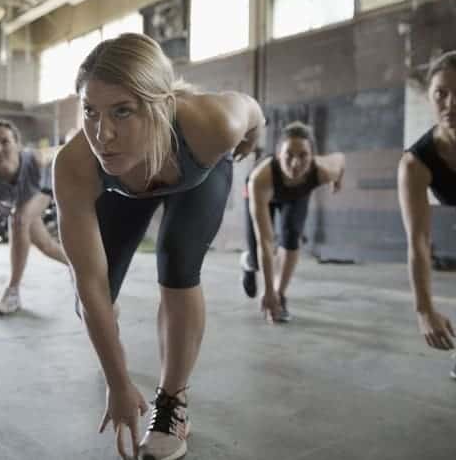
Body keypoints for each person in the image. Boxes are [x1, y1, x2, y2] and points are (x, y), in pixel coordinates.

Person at [53, 32, 265, 460]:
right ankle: (116, 359)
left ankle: (172, 404)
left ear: (162, 104)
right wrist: (117, 381)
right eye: (89, 111)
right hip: (123, 191)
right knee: (94, 294)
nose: (102, 134)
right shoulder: (75, 164)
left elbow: (253, 111)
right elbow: (89, 286)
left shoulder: (212, 123)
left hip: (195, 175)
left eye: (122, 111)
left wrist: (248, 139)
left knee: (178, 263)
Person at [398, 50, 456, 382]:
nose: (451, 102)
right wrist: (424, 309)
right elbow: (419, 242)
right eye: (441, 93)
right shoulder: (416, 163)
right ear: (430, 97)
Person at [240, 121, 345, 322]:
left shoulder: (322, 171)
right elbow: (266, 240)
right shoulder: (260, 178)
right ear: (279, 154)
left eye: (303, 155)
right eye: (289, 155)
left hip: (296, 195)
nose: (296, 163)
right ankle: (248, 263)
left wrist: (275, 294)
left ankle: (281, 297)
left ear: (312, 156)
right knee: (258, 252)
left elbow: (340, 160)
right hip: (264, 193)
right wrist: (267, 290)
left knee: (291, 236)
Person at [0, 119, 67, 314]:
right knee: (46, 246)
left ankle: (13, 292)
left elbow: (60, 150)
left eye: (4, 141)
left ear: (17, 144)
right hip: (21, 202)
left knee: (19, 219)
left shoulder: (34, 158)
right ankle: (83, 268)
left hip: (46, 189)